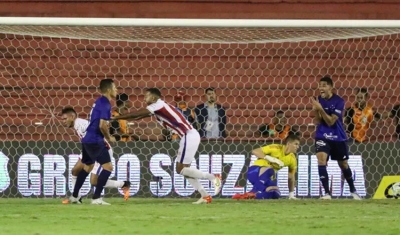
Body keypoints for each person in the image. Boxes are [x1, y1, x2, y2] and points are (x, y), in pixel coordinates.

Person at [112, 88, 222, 204]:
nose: (144, 98)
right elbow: (138, 117)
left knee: (181, 169)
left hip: (188, 135)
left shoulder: (158, 105)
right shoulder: (159, 107)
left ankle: (213, 177)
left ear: (153, 98)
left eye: (147, 96)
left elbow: (138, 114)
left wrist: (115, 117)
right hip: (189, 135)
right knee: (185, 170)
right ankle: (205, 195)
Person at [60, 107, 131, 204]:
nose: (63, 121)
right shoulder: (77, 125)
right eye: (62, 119)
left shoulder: (81, 124)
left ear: (72, 117)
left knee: (94, 181)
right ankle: (77, 197)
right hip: (89, 148)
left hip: (99, 149)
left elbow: (97, 131)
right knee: (75, 170)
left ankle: (123, 184)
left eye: (65, 119)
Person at [69, 78, 123, 205]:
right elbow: (102, 125)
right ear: (109, 90)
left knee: (87, 167)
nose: (116, 90)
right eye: (115, 88)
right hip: (95, 139)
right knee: (108, 167)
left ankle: (75, 196)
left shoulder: (98, 101)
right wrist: (109, 137)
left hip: (87, 139)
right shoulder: (105, 103)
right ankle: (96, 198)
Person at [310, 76, 361, 200]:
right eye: (320, 85)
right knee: (321, 160)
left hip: (338, 136)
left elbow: (331, 122)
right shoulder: (318, 100)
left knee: (343, 164)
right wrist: (316, 110)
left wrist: (320, 108)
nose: (321, 88)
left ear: (331, 87)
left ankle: (353, 191)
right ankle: (327, 194)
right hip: (322, 135)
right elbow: (318, 120)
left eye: (324, 85)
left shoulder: (339, 101)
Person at [232, 134, 300, 200]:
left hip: (266, 178)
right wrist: (271, 159)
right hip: (255, 171)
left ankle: (250, 196)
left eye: (298, 145)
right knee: (270, 169)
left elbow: (291, 177)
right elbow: (255, 151)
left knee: (275, 193)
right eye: (296, 144)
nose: (298, 147)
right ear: (288, 143)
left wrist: (291, 194)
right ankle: (253, 191)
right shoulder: (276, 148)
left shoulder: (292, 159)